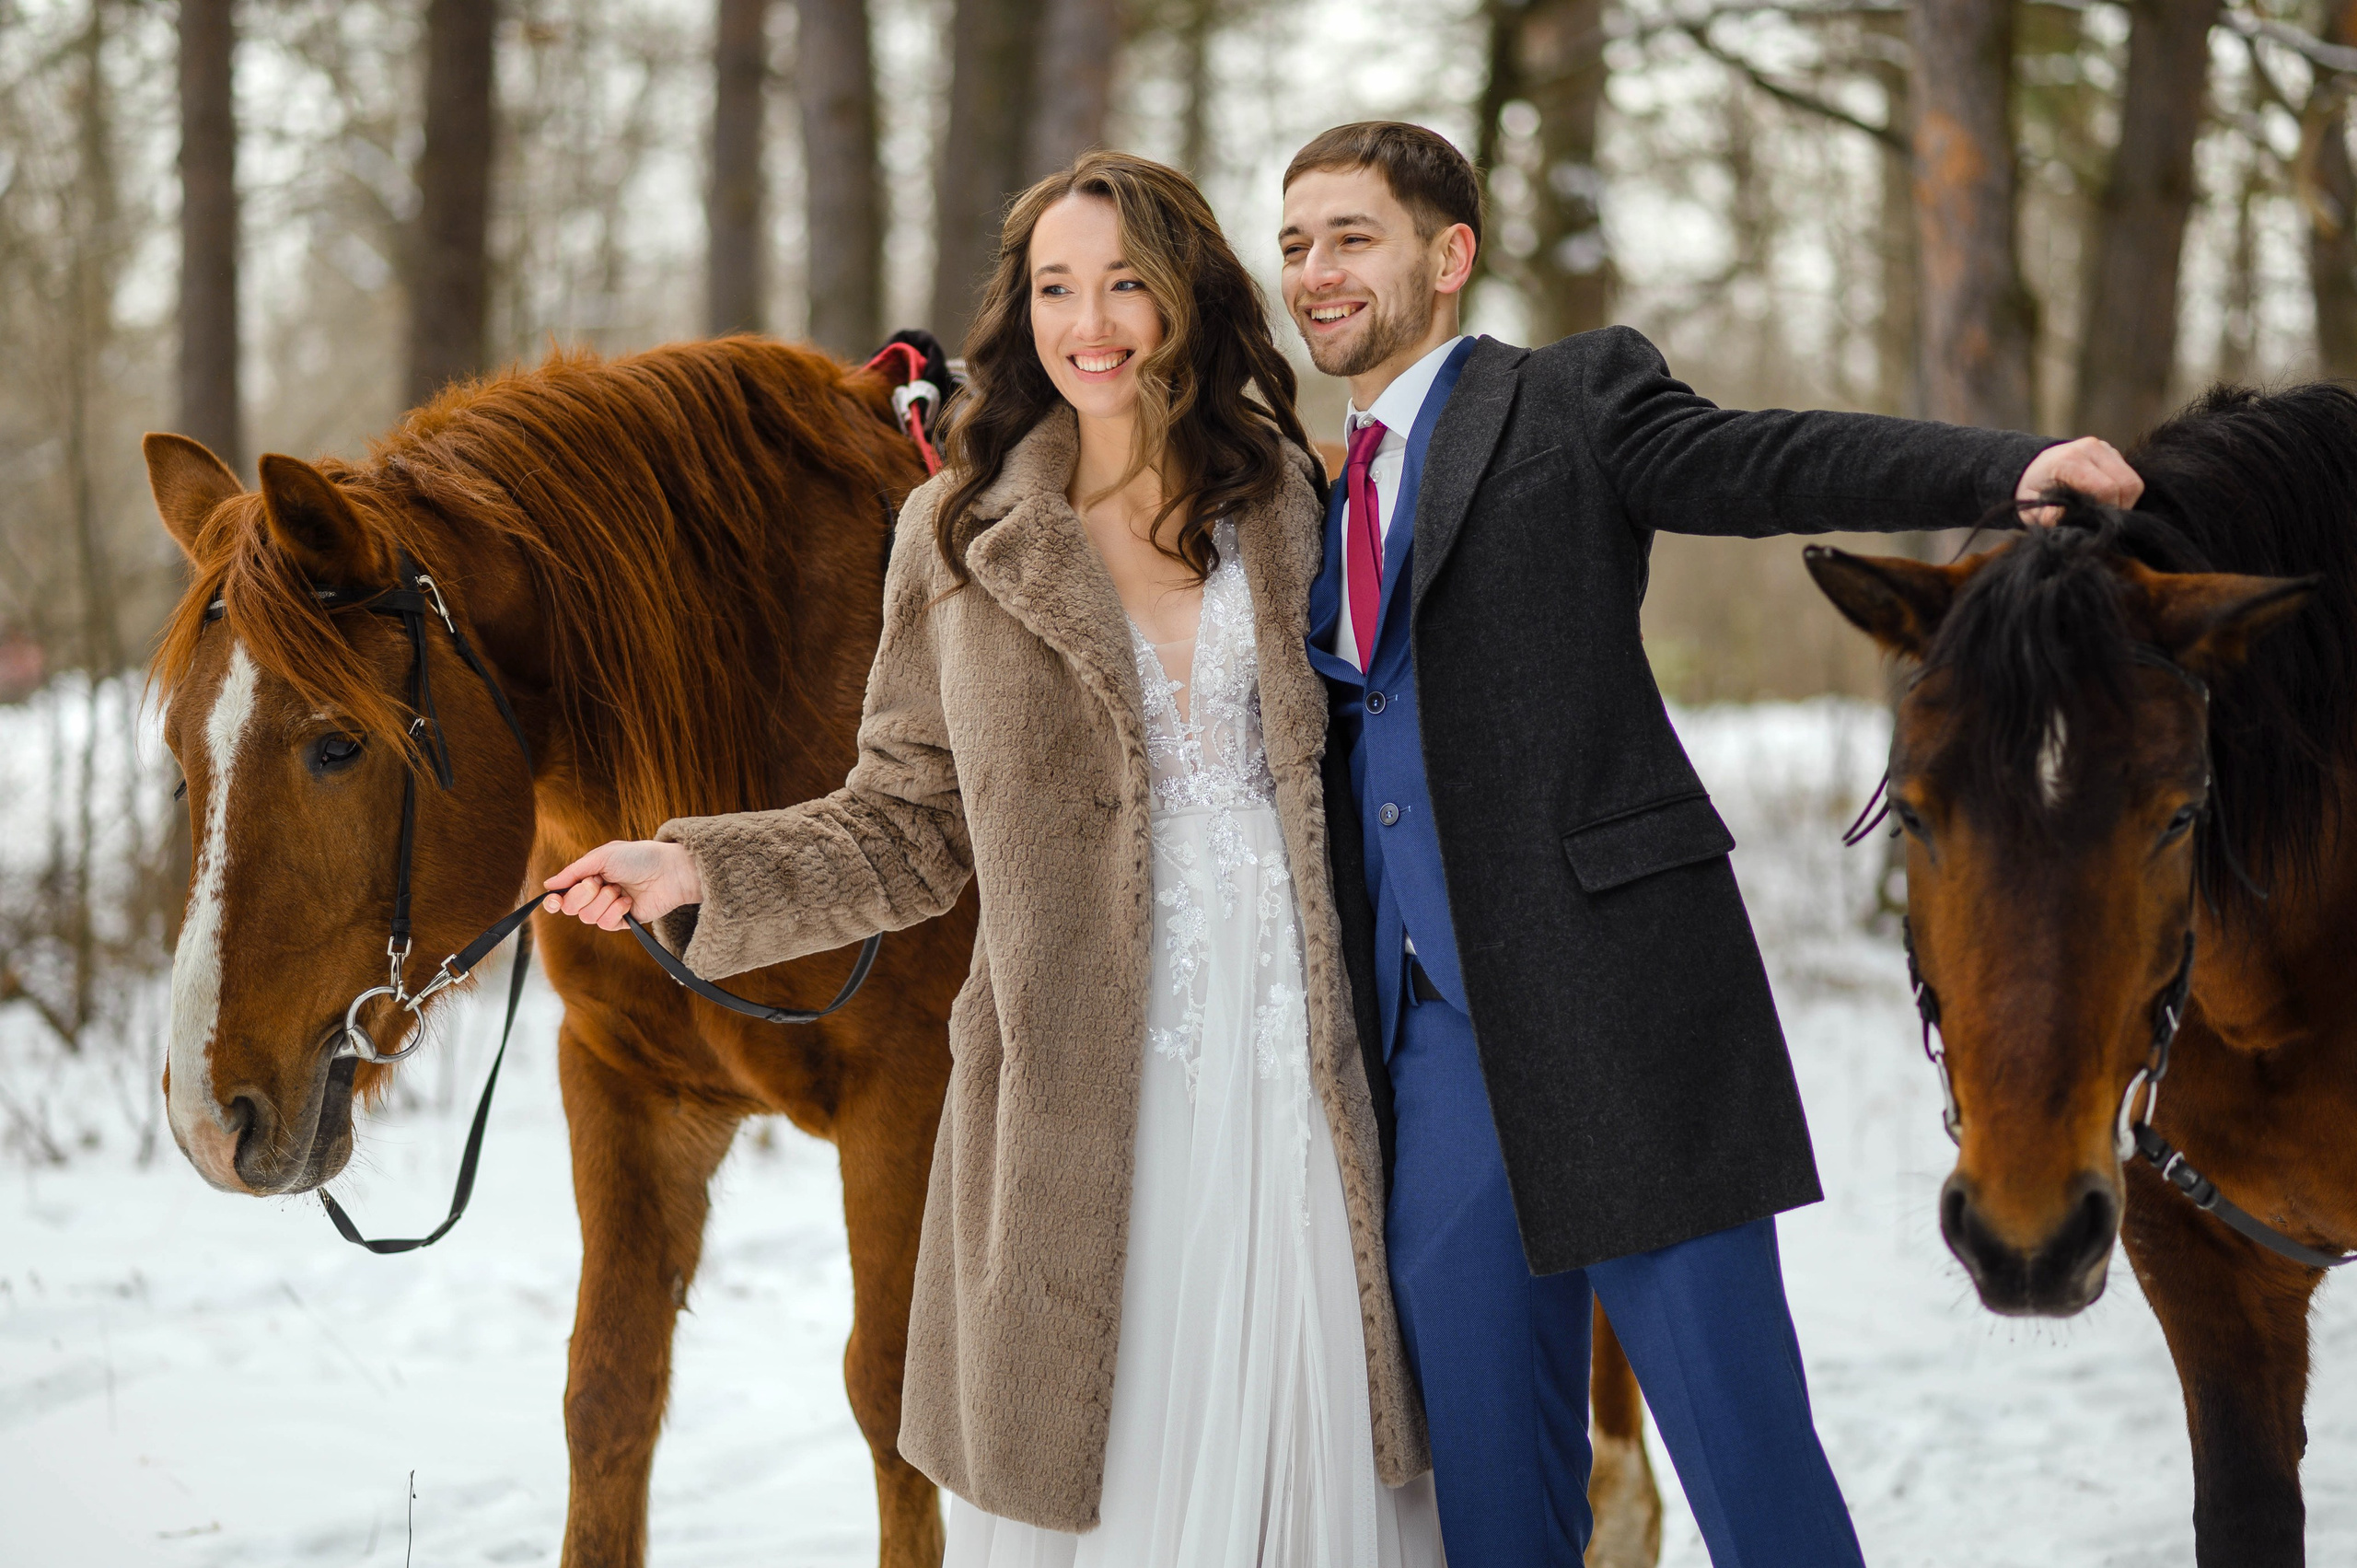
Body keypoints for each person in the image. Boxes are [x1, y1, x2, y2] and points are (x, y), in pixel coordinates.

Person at [541, 151, 1446, 1568]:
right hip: (1089, 1086)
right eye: (1055, 289)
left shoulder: (1292, 507)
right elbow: (903, 824)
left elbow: (1398, 759)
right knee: (1115, 1462)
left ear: (1191, 296)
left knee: (1311, 1465)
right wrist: (695, 871)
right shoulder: (958, 536)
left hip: (1297, 1076)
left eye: (1126, 284)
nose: (1091, 323)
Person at [1275, 121, 2142, 1566]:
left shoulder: (1568, 398)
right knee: (1492, 1500)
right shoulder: (1311, 490)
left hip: (1625, 1012)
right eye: (1294, 242)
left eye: (1350, 236)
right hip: (1426, 1049)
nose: (1315, 271)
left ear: (1448, 256)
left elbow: (1765, 461)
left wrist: (2010, 469)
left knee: (1750, 1478)